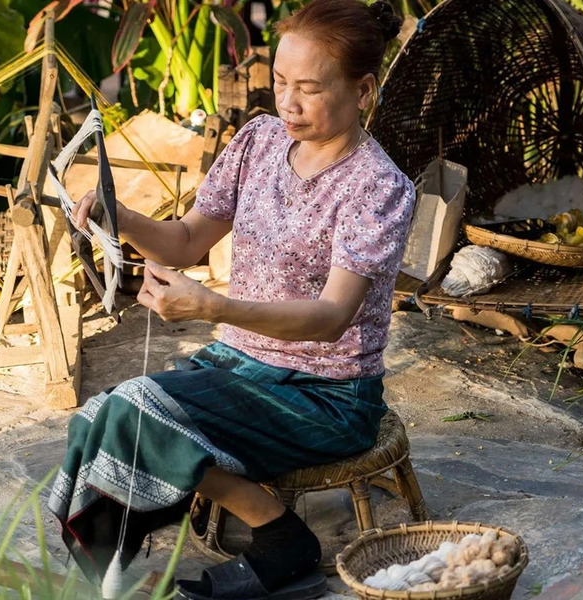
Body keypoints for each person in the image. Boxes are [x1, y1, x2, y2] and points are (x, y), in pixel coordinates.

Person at [48, 0, 413, 598]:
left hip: (326, 394)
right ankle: (149, 537)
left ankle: (279, 537)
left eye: (310, 89)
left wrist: (212, 308)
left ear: (364, 90)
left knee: (138, 411)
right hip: (242, 364)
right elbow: (187, 240)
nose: (288, 103)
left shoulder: (378, 187)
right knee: (102, 413)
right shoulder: (258, 142)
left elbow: (330, 318)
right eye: (280, 83)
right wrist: (125, 217)